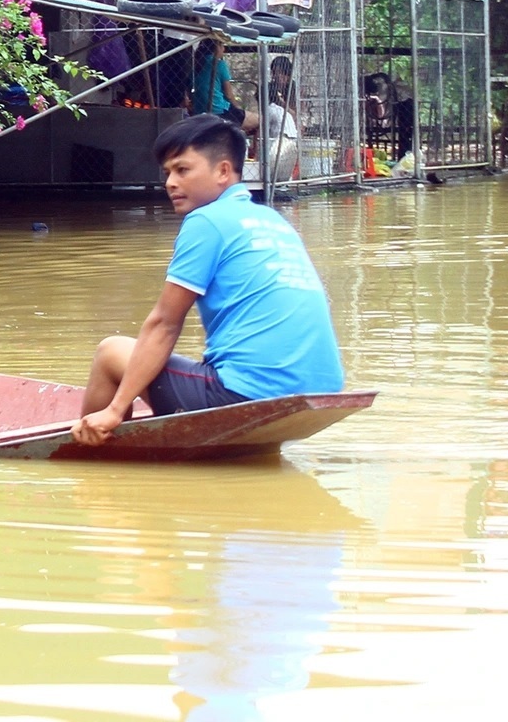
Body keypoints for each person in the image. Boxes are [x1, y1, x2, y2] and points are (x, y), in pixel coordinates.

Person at [70, 114, 343, 445]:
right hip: (324, 390)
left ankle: (91, 454)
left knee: (110, 352)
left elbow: (164, 325)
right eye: (167, 172)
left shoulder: (206, 221)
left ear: (223, 171)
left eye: (182, 170)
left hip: (248, 395)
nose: (170, 182)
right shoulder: (272, 220)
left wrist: (115, 408)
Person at [189, 39, 244, 125]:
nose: (223, 49)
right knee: (258, 120)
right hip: (219, 109)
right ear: (216, 48)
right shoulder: (219, 64)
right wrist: (238, 108)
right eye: (222, 46)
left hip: (199, 110)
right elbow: (228, 95)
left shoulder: (195, 64)